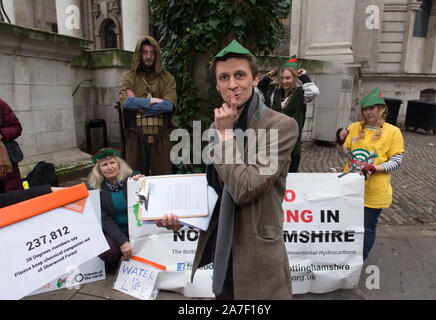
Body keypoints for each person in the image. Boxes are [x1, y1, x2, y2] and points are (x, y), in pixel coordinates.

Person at [157, 40, 299, 300]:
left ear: (255, 79)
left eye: (240, 75)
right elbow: (216, 190)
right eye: (224, 77)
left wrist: (224, 136)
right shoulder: (215, 127)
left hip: (259, 257)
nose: (232, 84)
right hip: (222, 251)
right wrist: (182, 216)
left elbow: (246, 188)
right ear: (217, 85)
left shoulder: (280, 126)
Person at [336, 87, 404, 260]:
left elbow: (396, 161)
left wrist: (375, 168)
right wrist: (339, 142)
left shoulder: (393, 132)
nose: (368, 112)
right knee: (346, 224)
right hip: (350, 186)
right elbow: (346, 155)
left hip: (373, 190)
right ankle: (345, 256)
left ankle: (359, 260)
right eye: (366, 109)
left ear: (382, 109)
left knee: (367, 227)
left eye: (372, 108)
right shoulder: (355, 127)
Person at [118, 36, 177, 176]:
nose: (148, 56)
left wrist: (138, 106)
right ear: (139, 54)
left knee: (164, 177)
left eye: (152, 52)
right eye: (144, 52)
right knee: (134, 178)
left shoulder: (167, 78)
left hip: (160, 134)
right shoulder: (129, 77)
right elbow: (126, 103)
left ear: (156, 54)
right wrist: (152, 101)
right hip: (135, 134)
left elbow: (169, 106)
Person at [256, 56, 319, 172]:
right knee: (271, 175)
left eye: (288, 78)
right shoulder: (274, 92)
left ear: (295, 78)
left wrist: (303, 76)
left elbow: (314, 91)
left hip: (292, 145)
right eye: (282, 78)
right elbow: (257, 93)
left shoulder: (302, 93)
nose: (284, 81)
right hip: (273, 143)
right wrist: (267, 79)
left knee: (290, 177)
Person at [87, 147, 143, 269]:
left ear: (119, 164)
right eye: (104, 165)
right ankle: (118, 259)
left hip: (137, 229)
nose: (109, 167)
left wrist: (141, 183)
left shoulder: (133, 179)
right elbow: (104, 218)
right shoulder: (95, 189)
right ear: (99, 169)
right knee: (108, 252)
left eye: (112, 162)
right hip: (115, 231)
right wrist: (122, 241)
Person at [0, 98, 23, 193]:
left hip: (7, 166)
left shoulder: (1, 105)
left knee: (14, 196)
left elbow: (17, 127)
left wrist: (1, 134)